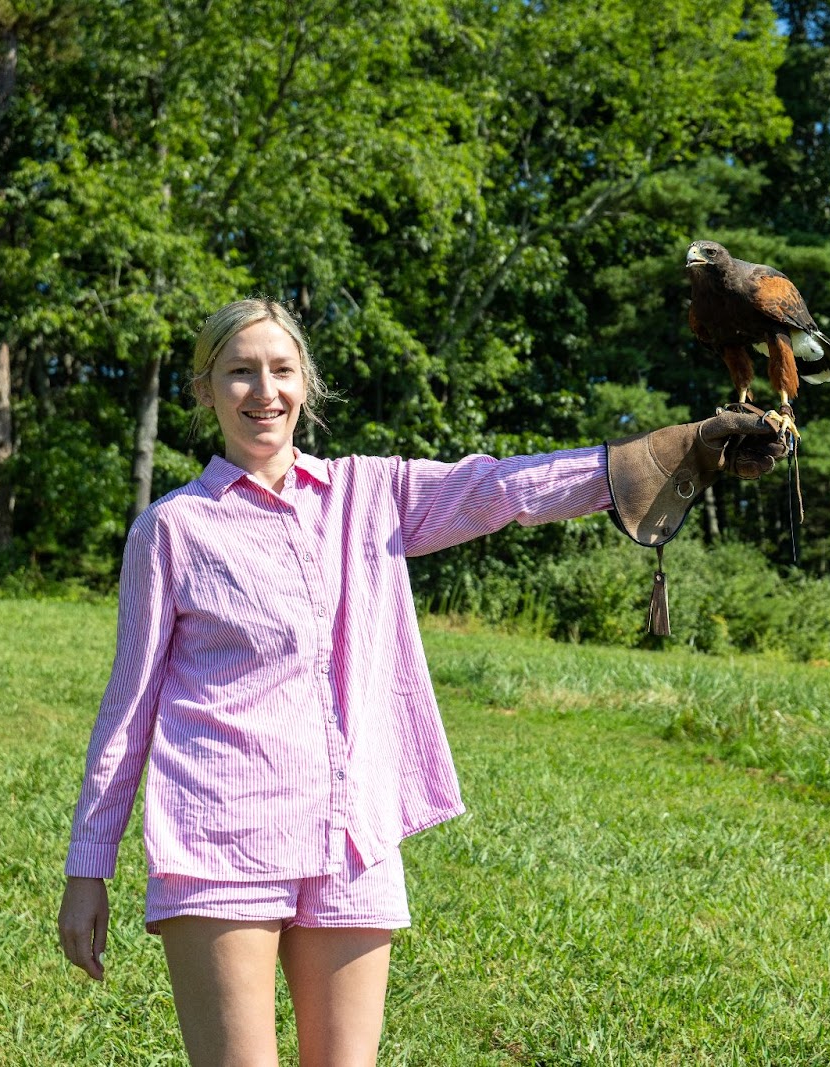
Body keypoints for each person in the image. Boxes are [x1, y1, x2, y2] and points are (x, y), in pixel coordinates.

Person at [56, 297, 784, 1066]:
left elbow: (500, 489)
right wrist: (87, 867)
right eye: (239, 372)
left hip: (352, 835)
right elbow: (127, 709)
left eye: (279, 369)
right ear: (207, 391)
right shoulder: (172, 528)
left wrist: (628, 465)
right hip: (220, 836)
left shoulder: (372, 494)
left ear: (305, 383)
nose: (262, 390)